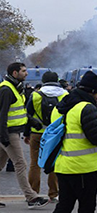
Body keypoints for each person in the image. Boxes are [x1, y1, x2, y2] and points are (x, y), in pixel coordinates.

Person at [49, 71, 97, 213]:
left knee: (64, 206)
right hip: (82, 168)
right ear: (93, 92)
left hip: (63, 165)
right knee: (86, 208)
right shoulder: (85, 108)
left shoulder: (61, 106)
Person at [0, 62, 49, 209]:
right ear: (15, 73)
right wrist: (4, 137)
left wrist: (32, 121)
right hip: (9, 133)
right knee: (20, 164)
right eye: (23, 71)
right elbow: (2, 116)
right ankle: (31, 197)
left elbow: (18, 111)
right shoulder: (7, 90)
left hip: (8, 132)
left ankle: (31, 197)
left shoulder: (13, 88)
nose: (26, 73)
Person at [24, 71, 68, 204]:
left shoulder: (35, 95)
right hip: (55, 134)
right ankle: (53, 194)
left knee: (34, 164)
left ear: (43, 80)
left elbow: (28, 115)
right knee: (54, 163)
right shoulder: (65, 95)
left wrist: (26, 134)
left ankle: (33, 193)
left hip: (37, 132)